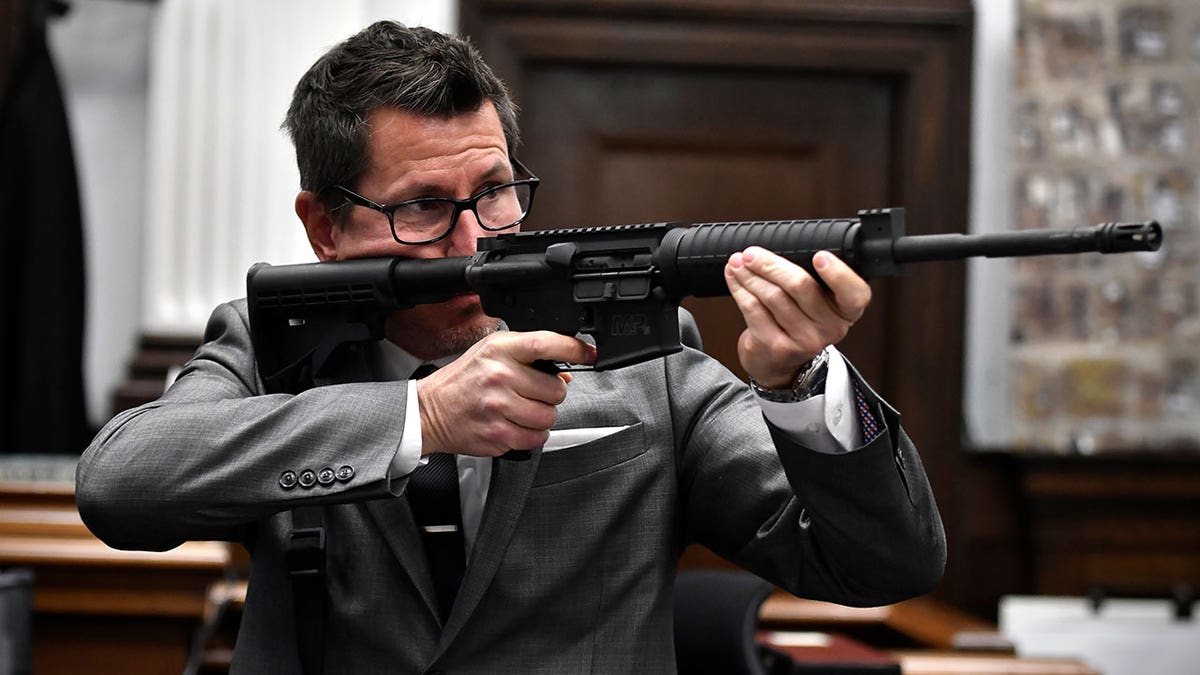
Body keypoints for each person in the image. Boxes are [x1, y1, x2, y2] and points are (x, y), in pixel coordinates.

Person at [77, 21, 945, 675]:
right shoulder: (271, 347)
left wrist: (799, 384)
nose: (471, 243)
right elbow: (121, 483)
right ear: (323, 226)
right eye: (422, 207)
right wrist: (419, 416)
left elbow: (882, 563)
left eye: (495, 193)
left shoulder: (644, 360)